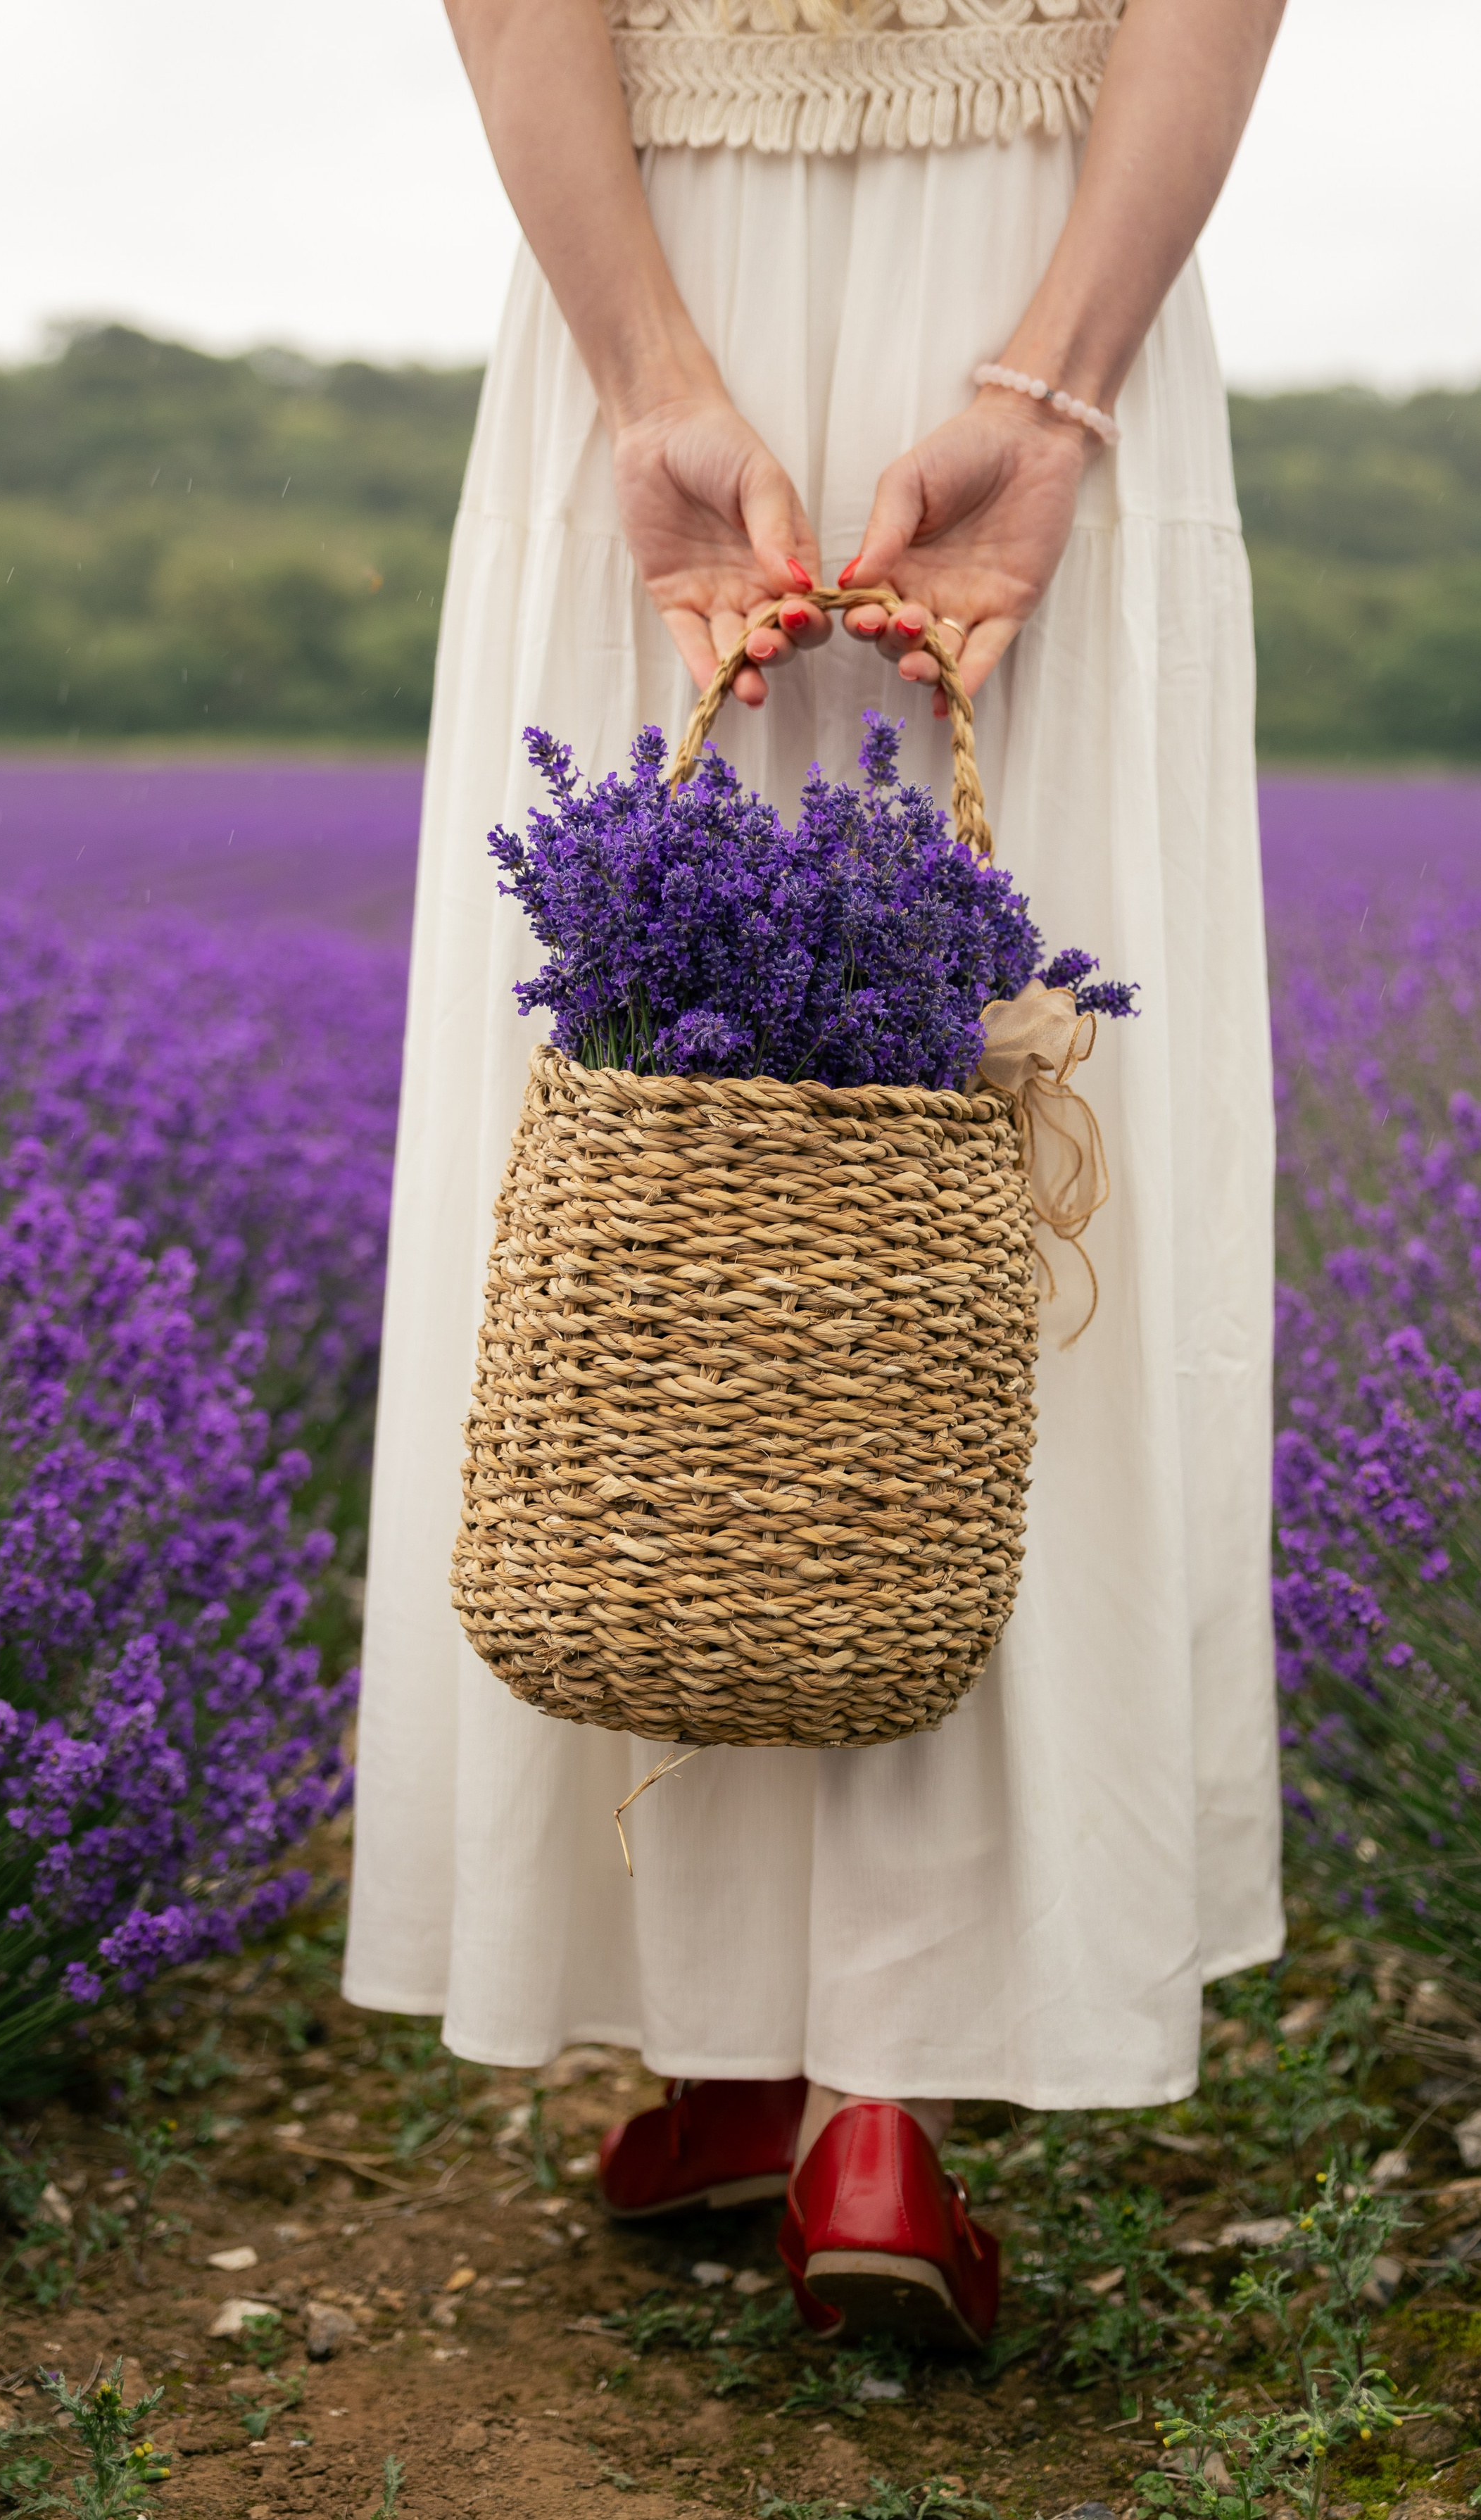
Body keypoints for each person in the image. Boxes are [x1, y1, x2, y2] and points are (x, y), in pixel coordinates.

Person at [344, 0, 1288, 2345]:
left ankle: (746, 2045)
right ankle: (866, 2089)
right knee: (979, 1196)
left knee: (661, 1226)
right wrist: (1057, 390)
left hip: (663, 266)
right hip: (1045, 250)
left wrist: (652, 380)